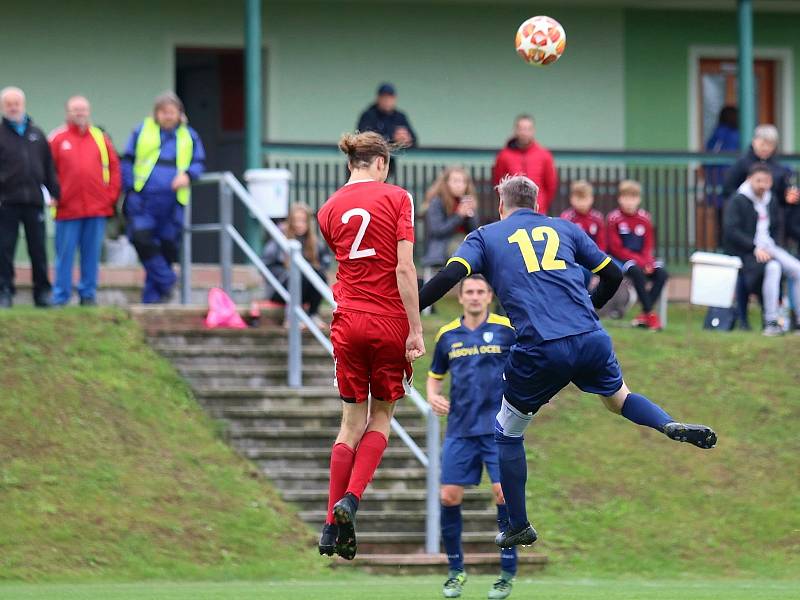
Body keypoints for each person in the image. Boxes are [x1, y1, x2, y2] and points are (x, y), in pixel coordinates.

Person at [418, 174, 716, 550]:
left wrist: (408, 308)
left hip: (540, 346)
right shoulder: (565, 229)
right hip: (590, 337)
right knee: (619, 399)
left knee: (507, 431)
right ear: (538, 203)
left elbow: (449, 276)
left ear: (501, 206)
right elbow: (611, 274)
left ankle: (519, 524)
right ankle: (667, 423)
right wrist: (589, 310)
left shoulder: (485, 236)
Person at [316, 131, 424, 561]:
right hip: (387, 321)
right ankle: (352, 500)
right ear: (380, 162)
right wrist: (415, 329)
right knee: (381, 416)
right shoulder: (398, 198)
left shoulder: (327, 210)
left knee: (349, 423)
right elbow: (403, 267)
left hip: (347, 320)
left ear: (350, 164)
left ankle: (328, 527)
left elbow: (345, 263)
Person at [427, 275, 517, 599]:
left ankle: (506, 573)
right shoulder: (447, 334)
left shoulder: (508, 330)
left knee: (504, 494)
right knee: (449, 496)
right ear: (460, 298)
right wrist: (432, 396)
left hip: (499, 430)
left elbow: (528, 366)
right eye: (470, 292)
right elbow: (435, 376)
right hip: (460, 430)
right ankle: (455, 571)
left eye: (481, 292)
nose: (476, 297)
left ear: (490, 296)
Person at [121, 92, 205, 303]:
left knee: (167, 246)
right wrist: (131, 189)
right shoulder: (142, 130)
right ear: (156, 114)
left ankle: (153, 298)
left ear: (179, 114)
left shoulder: (189, 135)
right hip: (144, 199)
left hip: (173, 201)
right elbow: (127, 160)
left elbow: (198, 162)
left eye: (172, 112)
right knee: (141, 238)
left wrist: (188, 175)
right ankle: (167, 281)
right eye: (163, 112)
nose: (168, 116)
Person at [721, 124, 800, 328]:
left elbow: (780, 204)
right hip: (748, 242)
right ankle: (770, 319)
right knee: (771, 268)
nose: (766, 147)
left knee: (795, 269)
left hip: (768, 241)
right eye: (763, 142)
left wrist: (788, 198)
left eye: (771, 144)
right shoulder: (742, 168)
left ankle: (795, 318)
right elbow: (729, 201)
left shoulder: (774, 184)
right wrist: (753, 243)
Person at [49, 96, 121, 306]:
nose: (79, 113)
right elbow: (46, 170)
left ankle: (88, 294)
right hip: (67, 209)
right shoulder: (57, 138)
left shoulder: (100, 138)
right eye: (75, 109)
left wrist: (109, 197)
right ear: (67, 112)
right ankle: (61, 296)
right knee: (65, 255)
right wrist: (53, 196)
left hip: (96, 209)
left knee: (91, 255)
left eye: (83, 109)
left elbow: (114, 168)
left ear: (89, 112)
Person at [0, 86, 60, 308]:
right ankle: (4, 291)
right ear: (3, 107)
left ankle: (42, 293)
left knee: (38, 249)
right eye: (9, 104)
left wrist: (54, 192)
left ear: (23, 105)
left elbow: (48, 166)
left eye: (16, 103)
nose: (13, 107)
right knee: (4, 249)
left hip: (34, 202)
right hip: (6, 202)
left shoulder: (38, 134)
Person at [606, 180, 668, 331]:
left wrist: (647, 263)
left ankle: (644, 314)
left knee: (662, 273)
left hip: (642, 260)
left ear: (639, 199)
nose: (629, 202)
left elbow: (648, 245)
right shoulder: (614, 218)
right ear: (619, 199)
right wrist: (641, 263)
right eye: (626, 198)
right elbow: (616, 248)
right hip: (622, 261)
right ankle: (650, 314)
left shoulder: (645, 218)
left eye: (633, 198)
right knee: (636, 272)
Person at [262, 203, 331, 329]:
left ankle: (312, 315)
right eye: (296, 220)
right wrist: (288, 272)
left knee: (319, 274)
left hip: (305, 290)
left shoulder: (314, 242)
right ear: (290, 221)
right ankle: (293, 318)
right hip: (282, 289)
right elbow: (268, 265)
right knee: (299, 274)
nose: (299, 224)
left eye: (303, 220)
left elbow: (324, 263)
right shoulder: (280, 238)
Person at [492, 115, 557, 215]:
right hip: (511, 210)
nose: (525, 133)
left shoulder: (544, 155)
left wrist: (541, 203)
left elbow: (551, 185)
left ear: (533, 130)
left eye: (528, 129)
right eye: (522, 129)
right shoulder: (504, 156)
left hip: (538, 210)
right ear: (516, 130)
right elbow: (498, 182)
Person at [421, 167, 479, 278]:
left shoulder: (467, 200)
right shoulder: (437, 202)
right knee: (461, 249)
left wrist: (471, 214)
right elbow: (438, 230)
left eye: (463, 181)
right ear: (446, 183)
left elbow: (474, 231)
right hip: (443, 244)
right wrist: (459, 215)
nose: (460, 185)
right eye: (456, 181)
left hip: (464, 242)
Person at [560, 180, 606, 288]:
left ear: (591, 199)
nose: (581, 202)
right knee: (582, 272)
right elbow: (564, 243)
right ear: (571, 199)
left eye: (584, 198)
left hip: (593, 258)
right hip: (574, 259)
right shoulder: (566, 218)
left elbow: (602, 245)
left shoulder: (597, 218)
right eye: (578, 198)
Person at [356, 83, 417, 149]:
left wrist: (407, 140)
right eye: (384, 97)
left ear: (394, 99)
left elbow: (414, 140)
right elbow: (363, 140)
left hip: (396, 157)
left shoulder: (400, 117)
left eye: (390, 97)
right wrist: (393, 139)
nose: (387, 100)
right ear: (378, 98)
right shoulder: (369, 116)